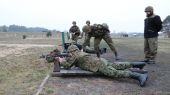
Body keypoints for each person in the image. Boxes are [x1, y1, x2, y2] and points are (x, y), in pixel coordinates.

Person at [55, 45, 148, 87]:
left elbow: (67, 66)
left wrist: (61, 60)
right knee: (118, 66)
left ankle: (139, 76)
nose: (69, 54)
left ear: (72, 51)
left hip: (98, 65)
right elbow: (74, 62)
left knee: (114, 73)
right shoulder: (80, 53)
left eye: (69, 53)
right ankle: (138, 64)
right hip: (100, 61)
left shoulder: (75, 55)